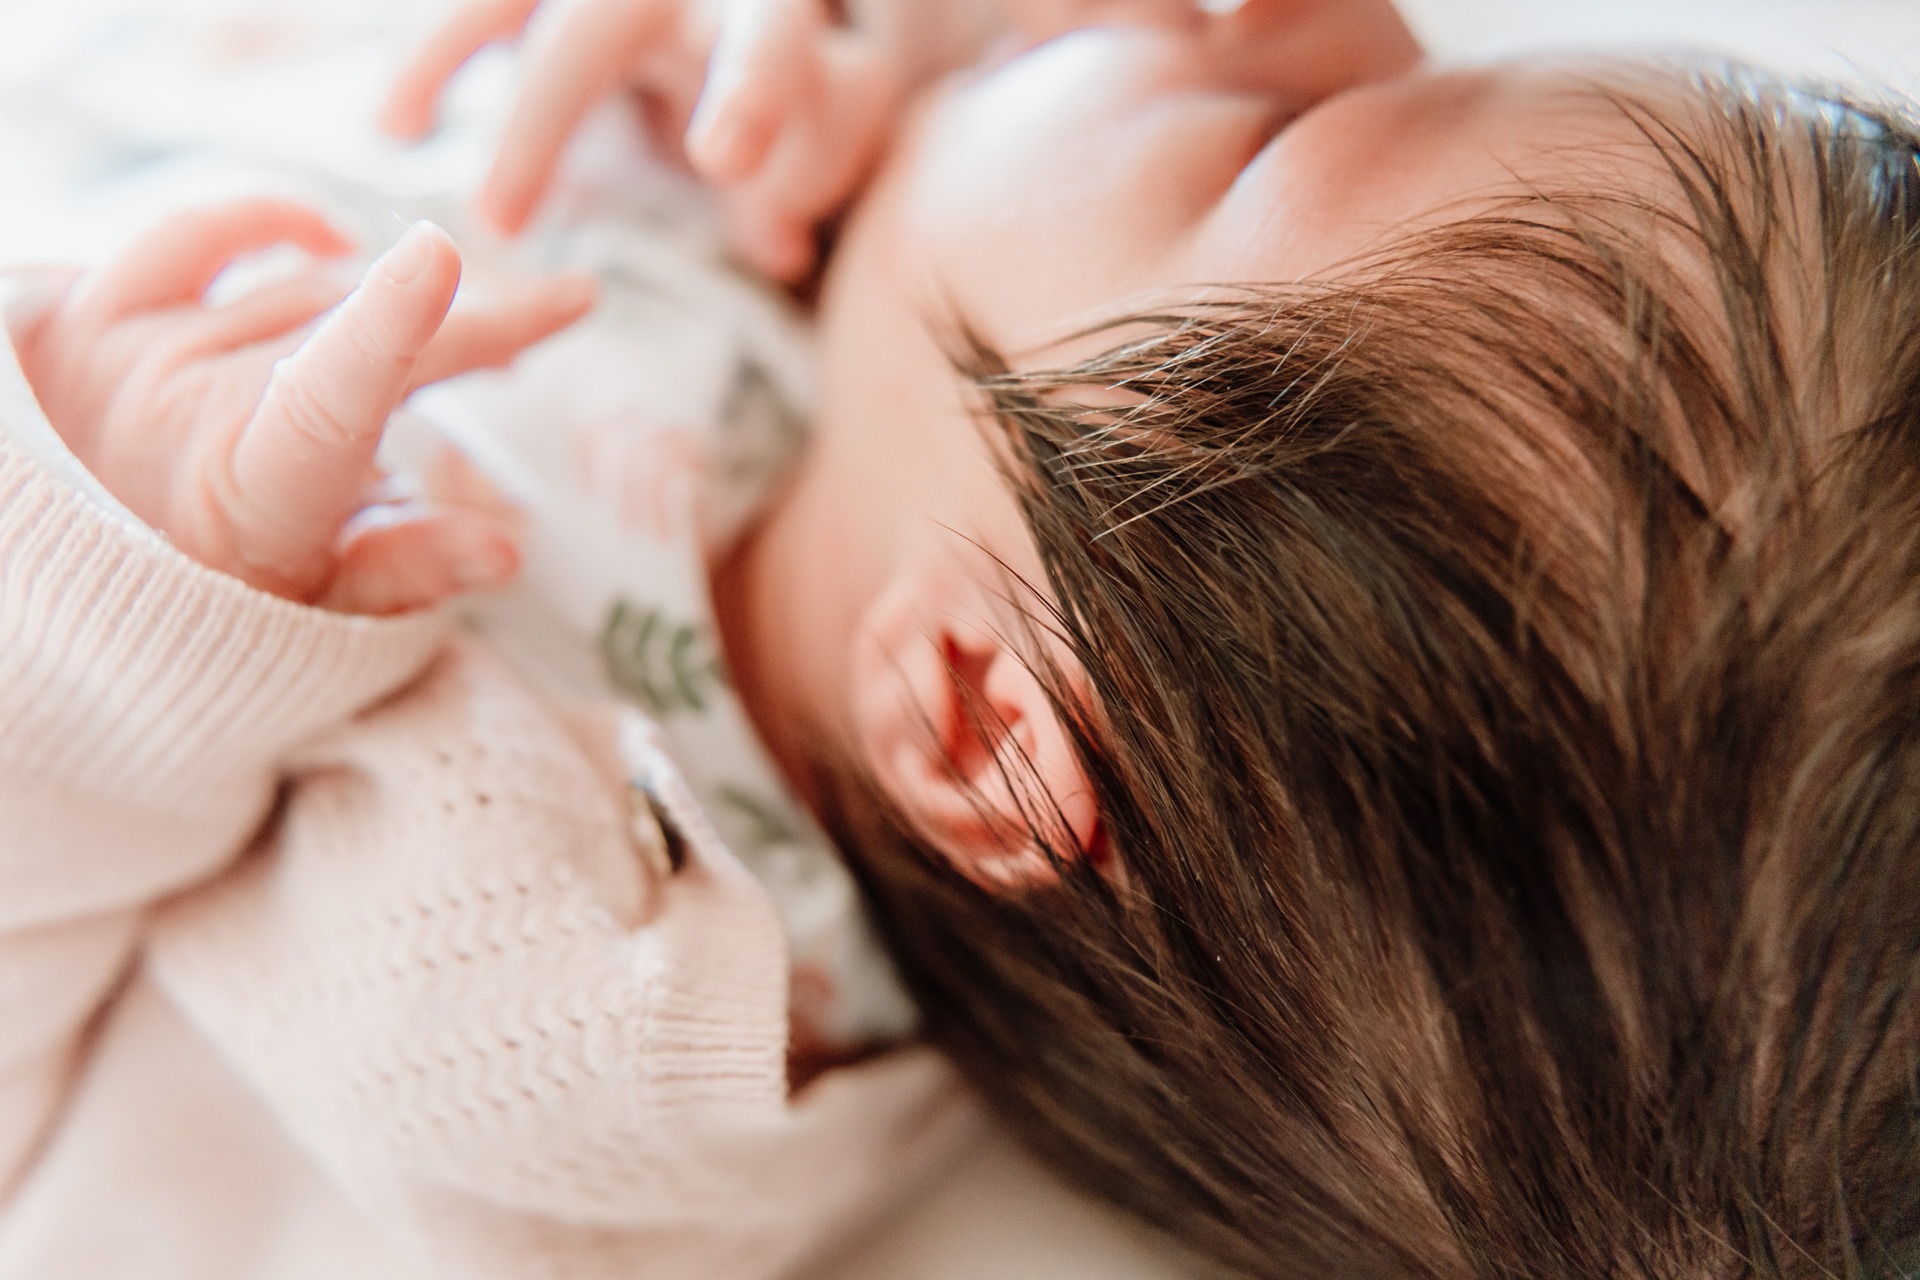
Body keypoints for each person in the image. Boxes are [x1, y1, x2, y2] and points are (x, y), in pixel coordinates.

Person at [2, 2, 1916, 1279]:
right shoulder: (908, 358)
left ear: (987, 712)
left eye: (1278, 133)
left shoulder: (556, 1027)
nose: (1312, 16)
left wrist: (103, 627)